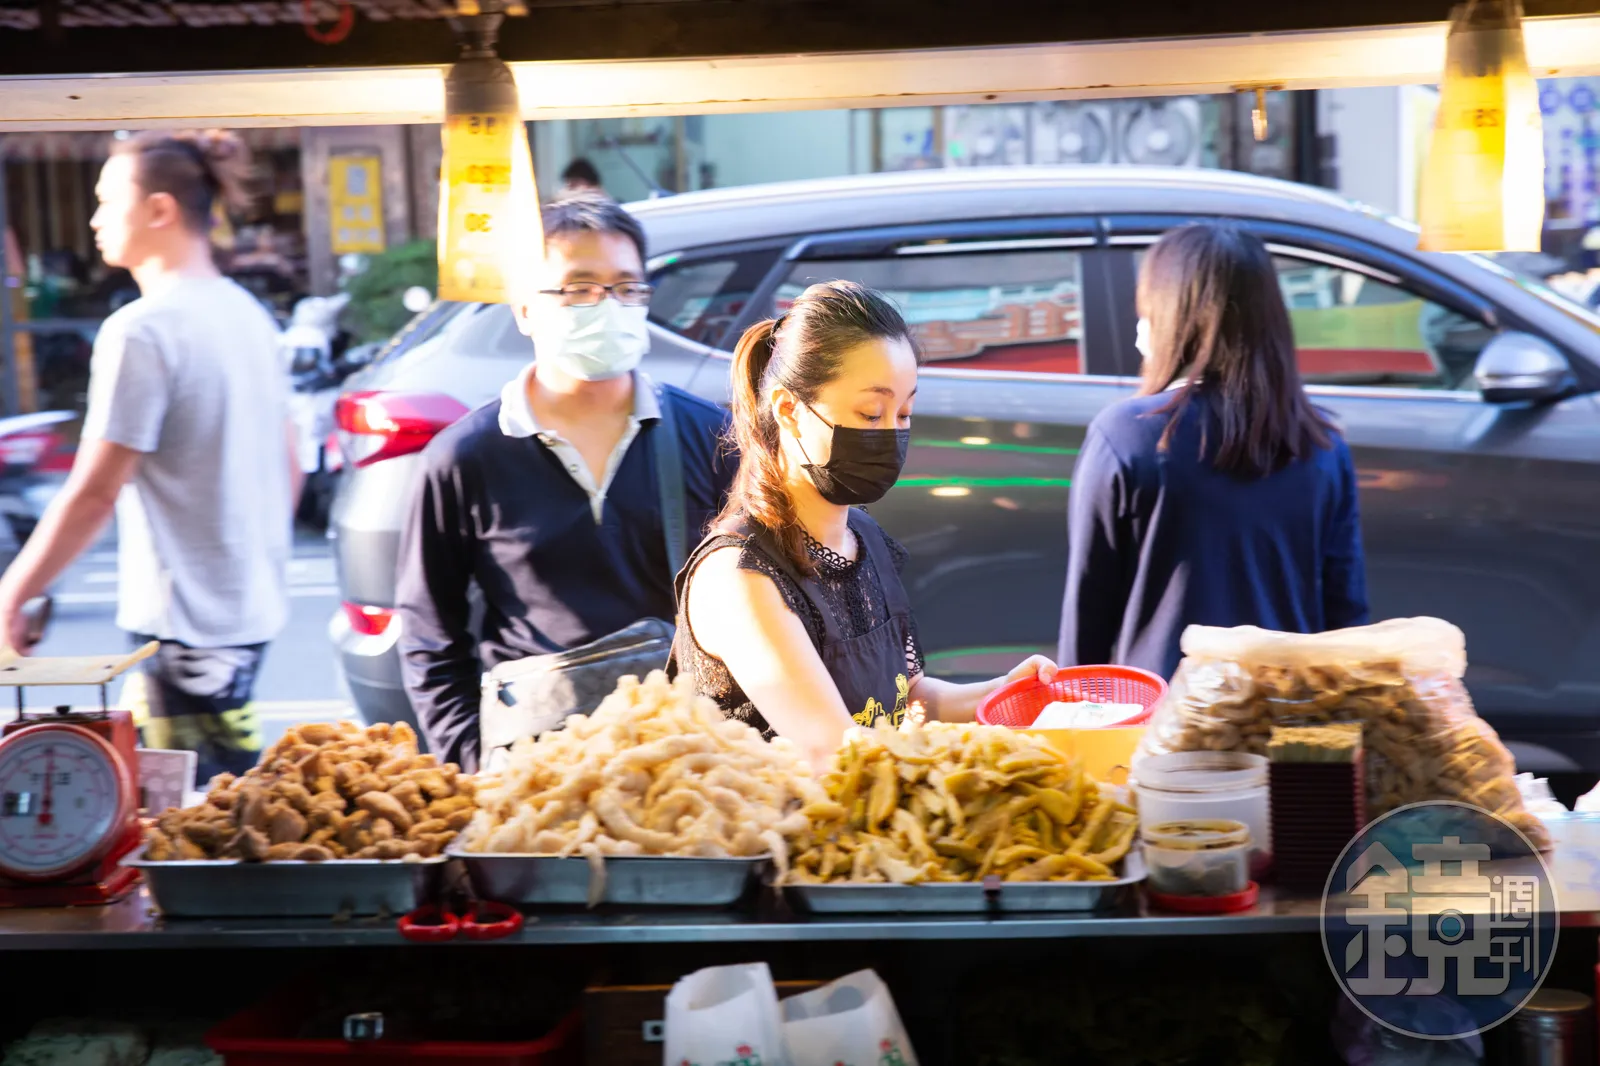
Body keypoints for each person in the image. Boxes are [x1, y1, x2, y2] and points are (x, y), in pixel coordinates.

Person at [0, 130, 300, 783]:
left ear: (160, 209)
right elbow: (289, 462)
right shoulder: (247, 313)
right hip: (246, 607)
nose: (95, 219)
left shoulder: (143, 329)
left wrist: (12, 592)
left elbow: (96, 491)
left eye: (109, 201)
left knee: (189, 812)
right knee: (223, 797)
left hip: (183, 621)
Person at [396, 196, 736, 772]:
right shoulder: (464, 456)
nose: (607, 306)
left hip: (684, 760)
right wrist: (475, 767)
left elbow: (767, 603)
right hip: (533, 766)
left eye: (626, 288)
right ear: (525, 308)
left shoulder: (712, 438)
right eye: (579, 288)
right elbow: (431, 637)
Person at [670, 280, 1057, 767]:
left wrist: (1005, 694)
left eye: (904, 412)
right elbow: (835, 754)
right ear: (789, 411)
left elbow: (906, 701)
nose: (891, 434)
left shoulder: (863, 537)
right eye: (871, 414)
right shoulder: (739, 577)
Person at [1058, 222, 1369, 679]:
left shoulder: (1127, 435)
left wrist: (1073, 713)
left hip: (1159, 714)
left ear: (1168, 318)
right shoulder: (1321, 444)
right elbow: (1346, 619)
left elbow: (1089, 614)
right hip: (1284, 712)